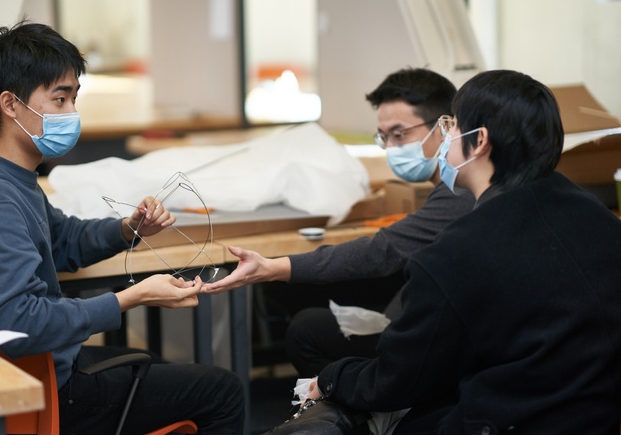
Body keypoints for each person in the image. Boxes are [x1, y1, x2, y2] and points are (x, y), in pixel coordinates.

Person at [0, 21, 244, 434]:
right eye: (59, 99)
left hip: (46, 366)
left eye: (74, 99)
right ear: (10, 104)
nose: (71, 114)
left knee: (165, 370)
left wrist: (128, 230)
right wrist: (131, 297)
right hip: (47, 387)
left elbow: (63, 239)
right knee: (223, 391)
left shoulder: (2, 178)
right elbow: (21, 322)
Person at [291, 69, 621, 434]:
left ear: (478, 140)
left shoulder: (458, 252)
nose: (446, 139)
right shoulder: (595, 215)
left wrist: (329, 379)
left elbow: (397, 379)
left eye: (452, 126)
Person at [203, 68, 475, 377]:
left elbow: (381, 251)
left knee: (306, 330)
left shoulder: (461, 192)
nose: (392, 148)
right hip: (435, 325)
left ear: (445, 126)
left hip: (442, 341)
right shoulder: (456, 187)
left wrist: (272, 268)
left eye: (400, 135)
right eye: (384, 137)